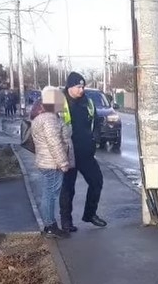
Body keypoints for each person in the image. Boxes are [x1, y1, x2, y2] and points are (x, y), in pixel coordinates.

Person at [59, 72, 106, 231]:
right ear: (70, 86)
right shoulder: (59, 101)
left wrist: (96, 139)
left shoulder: (88, 101)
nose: (81, 90)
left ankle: (90, 214)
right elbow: (49, 125)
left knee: (97, 181)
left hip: (86, 153)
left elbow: (97, 122)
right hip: (68, 153)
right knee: (67, 189)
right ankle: (66, 222)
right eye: (78, 87)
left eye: (83, 86)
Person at [31, 86, 72, 238]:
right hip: (52, 163)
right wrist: (63, 163)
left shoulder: (40, 117)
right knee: (50, 195)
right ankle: (50, 225)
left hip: (44, 161)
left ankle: (49, 224)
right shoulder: (50, 119)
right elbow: (54, 143)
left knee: (48, 193)